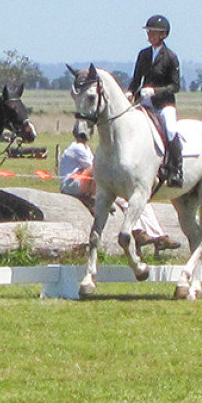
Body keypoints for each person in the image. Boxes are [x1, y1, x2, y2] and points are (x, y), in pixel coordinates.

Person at [59, 127, 177, 251]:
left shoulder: (84, 148)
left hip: (84, 184)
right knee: (124, 199)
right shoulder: (77, 148)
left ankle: (156, 235)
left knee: (138, 203)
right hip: (72, 185)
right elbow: (97, 168)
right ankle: (138, 230)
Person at [127, 14, 182, 187]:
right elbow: (136, 79)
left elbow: (175, 86)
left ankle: (176, 170)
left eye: (153, 33)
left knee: (171, 130)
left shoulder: (170, 57)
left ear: (163, 35)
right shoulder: (143, 54)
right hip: (145, 102)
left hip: (164, 103)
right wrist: (130, 92)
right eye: (149, 32)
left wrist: (155, 91)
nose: (150, 35)